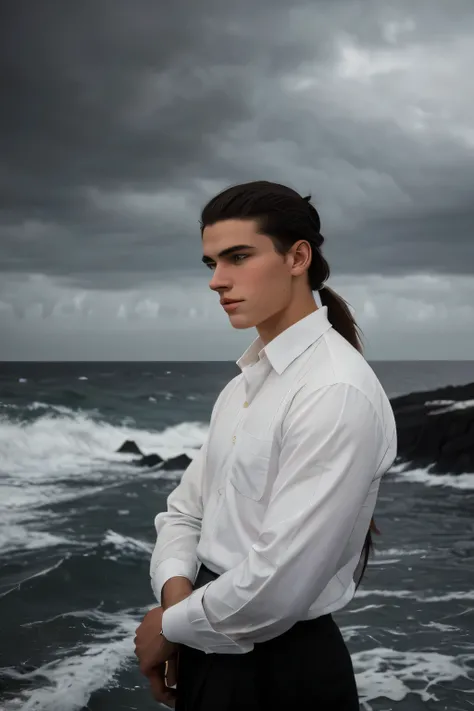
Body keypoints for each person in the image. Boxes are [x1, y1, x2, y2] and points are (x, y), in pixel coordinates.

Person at [134, 180, 397, 709]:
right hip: (213, 636)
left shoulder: (334, 391)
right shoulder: (245, 384)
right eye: (210, 262)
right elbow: (185, 513)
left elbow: (278, 584)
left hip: (280, 671)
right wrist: (177, 604)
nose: (216, 281)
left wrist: (172, 626)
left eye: (237, 257)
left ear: (297, 256)